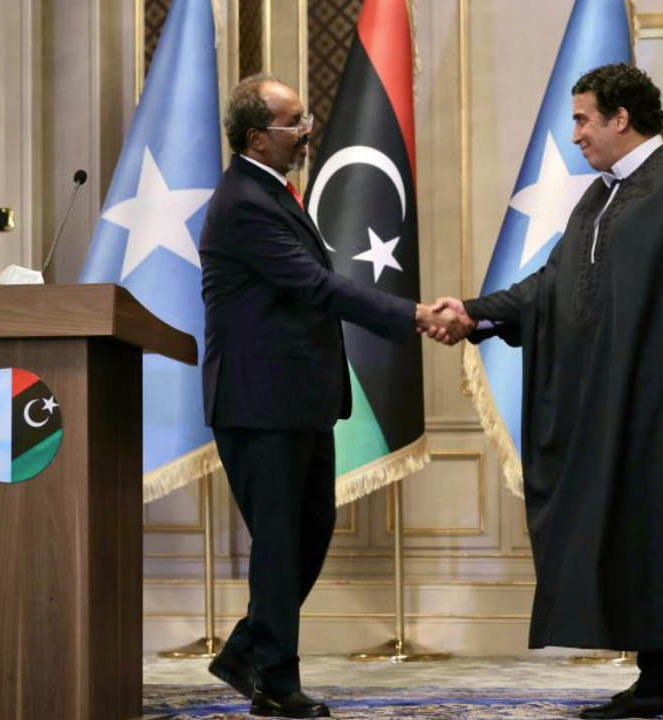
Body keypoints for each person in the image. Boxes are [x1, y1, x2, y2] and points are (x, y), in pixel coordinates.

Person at [432, 63, 663, 720]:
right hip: (621, 405)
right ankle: (660, 679)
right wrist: (474, 312)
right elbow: (549, 287)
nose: (577, 133)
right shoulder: (599, 197)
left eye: (584, 119)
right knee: (639, 534)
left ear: (621, 118)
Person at [199, 74, 464, 718]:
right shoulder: (244, 203)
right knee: (281, 545)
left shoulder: (271, 190)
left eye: (307, 119)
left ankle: (244, 653)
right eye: (295, 123)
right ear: (257, 138)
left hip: (298, 402)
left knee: (309, 535)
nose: (306, 133)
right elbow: (317, 286)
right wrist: (412, 314)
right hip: (260, 404)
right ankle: (275, 684)